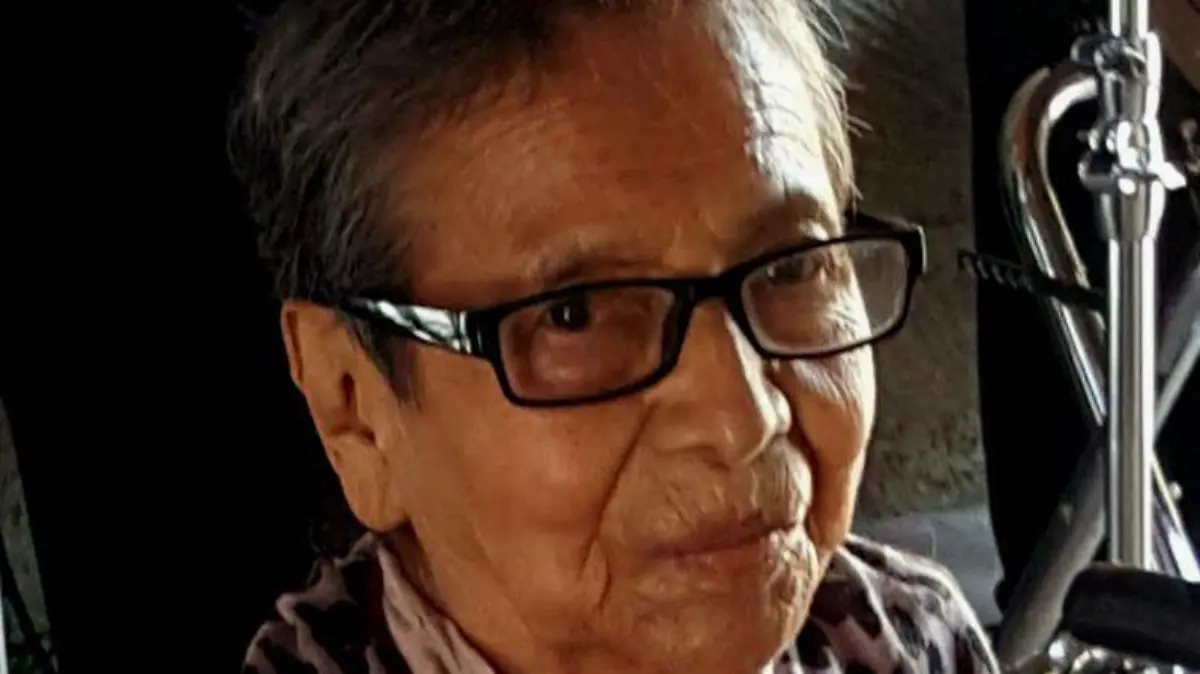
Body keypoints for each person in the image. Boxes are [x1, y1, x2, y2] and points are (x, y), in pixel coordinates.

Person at [228, 0, 1000, 672]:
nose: (741, 420)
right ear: (355, 408)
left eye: (791, 268)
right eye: (576, 315)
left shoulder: (909, 643)